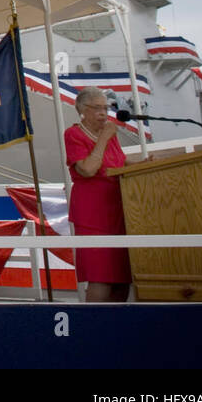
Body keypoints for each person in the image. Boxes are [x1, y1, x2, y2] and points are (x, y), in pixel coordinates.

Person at [65, 87, 146, 302]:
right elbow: (88, 169)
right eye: (97, 108)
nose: (103, 113)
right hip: (93, 213)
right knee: (101, 275)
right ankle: (94, 327)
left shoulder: (109, 134)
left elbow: (120, 161)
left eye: (106, 108)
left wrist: (143, 166)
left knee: (121, 276)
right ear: (82, 109)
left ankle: (115, 328)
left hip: (118, 210)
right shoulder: (74, 134)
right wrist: (103, 138)